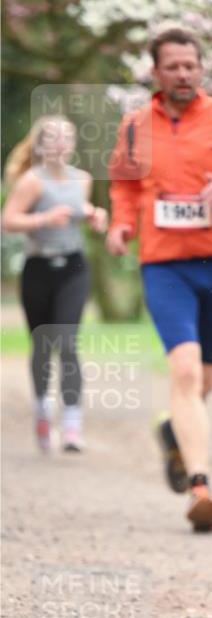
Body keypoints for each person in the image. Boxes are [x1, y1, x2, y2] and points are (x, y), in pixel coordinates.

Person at [106, 27, 212, 532]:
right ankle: (200, 486)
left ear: (201, 69)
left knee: (205, 380)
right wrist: (121, 224)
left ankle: (173, 431)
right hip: (164, 265)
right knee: (187, 373)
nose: (182, 74)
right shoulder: (135, 127)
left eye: (190, 65)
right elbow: (125, 186)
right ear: (156, 72)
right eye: (172, 66)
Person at [2, 115, 107, 452]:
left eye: (66, 137)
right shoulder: (32, 181)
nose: (60, 144)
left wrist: (94, 215)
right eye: (52, 138)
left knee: (68, 341)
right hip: (38, 269)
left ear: (74, 143)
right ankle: (43, 411)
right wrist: (44, 218)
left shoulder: (83, 179)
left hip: (73, 268)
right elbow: (8, 221)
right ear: (40, 145)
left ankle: (73, 425)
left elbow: (79, 209)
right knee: (42, 345)